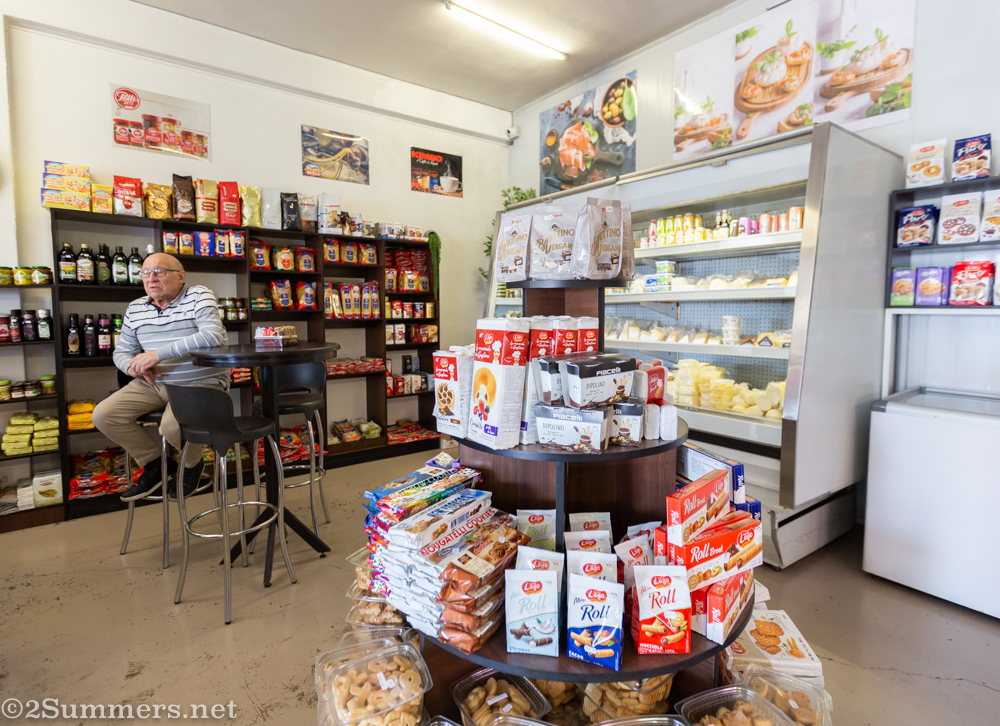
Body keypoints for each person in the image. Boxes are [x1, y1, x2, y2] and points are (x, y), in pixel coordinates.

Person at [93, 253, 229, 499]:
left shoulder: (199, 295)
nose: (151, 278)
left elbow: (212, 336)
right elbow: (122, 351)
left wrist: (157, 355)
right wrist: (132, 367)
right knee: (104, 415)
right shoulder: (135, 308)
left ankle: (192, 464)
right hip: (153, 383)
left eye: (159, 271)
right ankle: (156, 465)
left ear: (181, 276)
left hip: (199, 382)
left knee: (170, 428)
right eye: (145, 273)